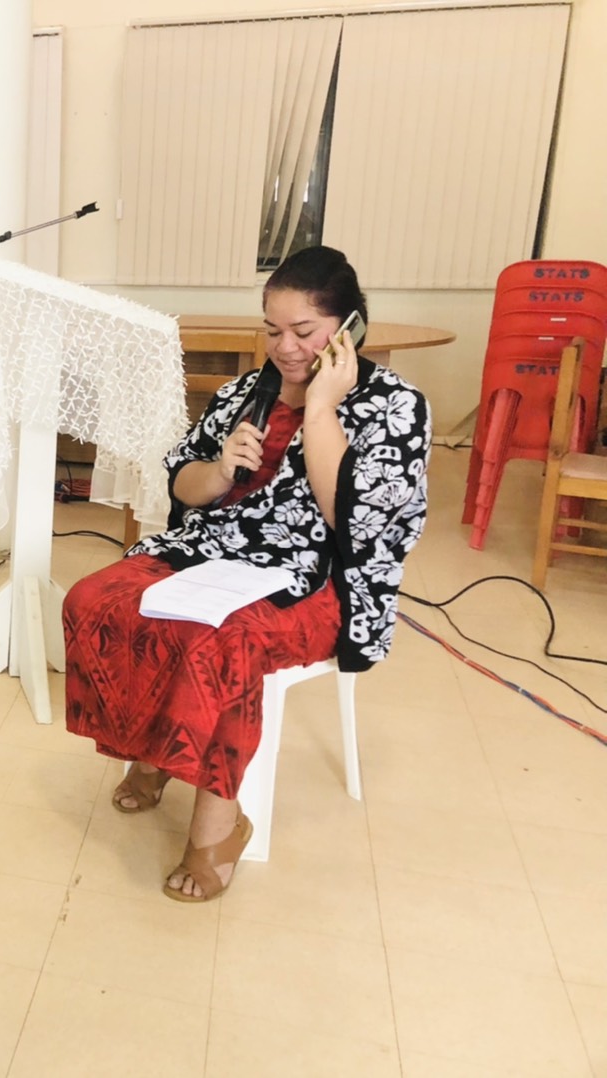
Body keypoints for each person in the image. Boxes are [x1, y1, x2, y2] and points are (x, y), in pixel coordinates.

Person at [63, 246, 430, 902]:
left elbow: (353, 521)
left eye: (304, 331)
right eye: (272, 329)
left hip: (319, 577)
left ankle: (216, 828)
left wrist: (320, 409)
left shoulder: (394, 406)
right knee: (97, 600)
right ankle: (152, 748)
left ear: (349, 330)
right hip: (213, 551)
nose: (284, 348)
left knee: (223, 643)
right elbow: (185, 483)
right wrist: (222, 468)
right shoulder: (244, 392)